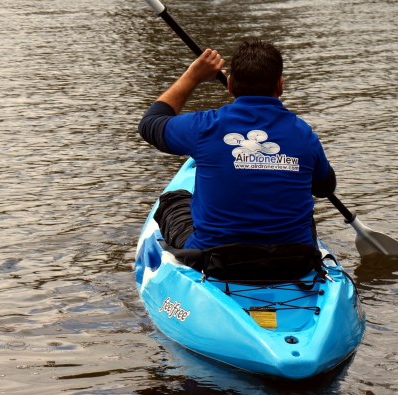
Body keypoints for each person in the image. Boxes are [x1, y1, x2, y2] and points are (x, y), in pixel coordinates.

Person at [138, 39, 336, 254]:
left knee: (173, 200)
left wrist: (193, 76)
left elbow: (150, 123)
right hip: (293, 260)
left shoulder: (204, 126)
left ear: (230, 85)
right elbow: (324, 187)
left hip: (216, 258)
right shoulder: (304, 134)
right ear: (280, 85)